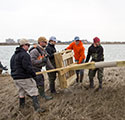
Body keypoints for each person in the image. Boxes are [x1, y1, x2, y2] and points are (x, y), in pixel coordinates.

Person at [10, 39, 45, 112]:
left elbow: (12, 66)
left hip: (16, 78)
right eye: (28, 45)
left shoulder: (14, 55)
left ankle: (22, 107)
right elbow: (28, 67)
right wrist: (33, 75)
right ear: (23, 45)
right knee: (33, 90)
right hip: (24, 77)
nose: (29, 47)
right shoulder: (25, 55)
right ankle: (37, 108)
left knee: (21, 92)